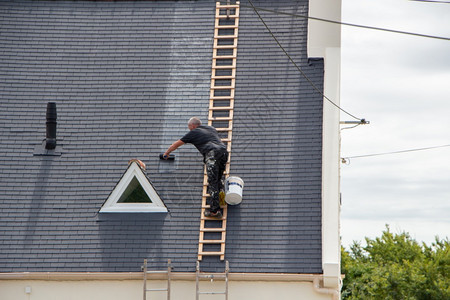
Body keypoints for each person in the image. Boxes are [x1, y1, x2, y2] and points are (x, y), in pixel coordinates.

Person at [164, 117, 228, 218]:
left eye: (189, 127)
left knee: (213, 182)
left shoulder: (193, 132)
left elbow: (177, 144)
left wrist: (167, 153)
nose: (189, 129)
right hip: (223, 152)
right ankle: (222, 197)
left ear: (193, 126)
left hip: (212, 155)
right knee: (219, 178)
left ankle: (215, 211)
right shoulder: (211, 128)